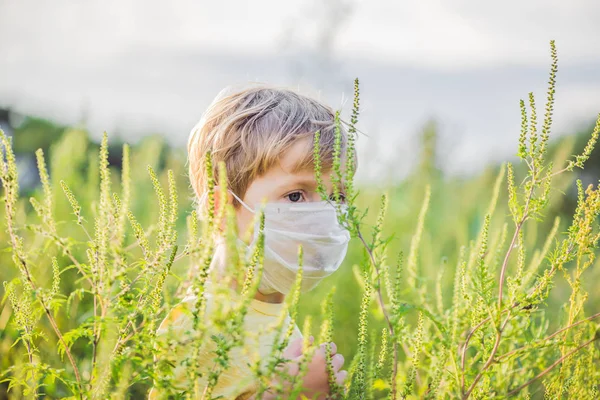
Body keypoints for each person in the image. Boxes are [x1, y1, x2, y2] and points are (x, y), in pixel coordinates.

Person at [148, 85, 353, 399]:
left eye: (336, 197)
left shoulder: (272, 311)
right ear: (222, 211)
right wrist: (288, 392)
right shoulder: (196, 325)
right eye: (296, 195)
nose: (320, 216)